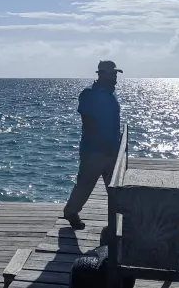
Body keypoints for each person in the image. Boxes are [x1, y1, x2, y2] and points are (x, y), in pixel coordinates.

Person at [63, 60, 123, 230]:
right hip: (94, 151)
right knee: (85, 185)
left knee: (116, 189)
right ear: (101, 74)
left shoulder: (112, 94)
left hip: (113, 151)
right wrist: (101, 142)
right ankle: (70, 212)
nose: (115, 78)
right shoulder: (89, 94)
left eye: (116, 74)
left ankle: (116, 224)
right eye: (112, 74)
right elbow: (87, 121)